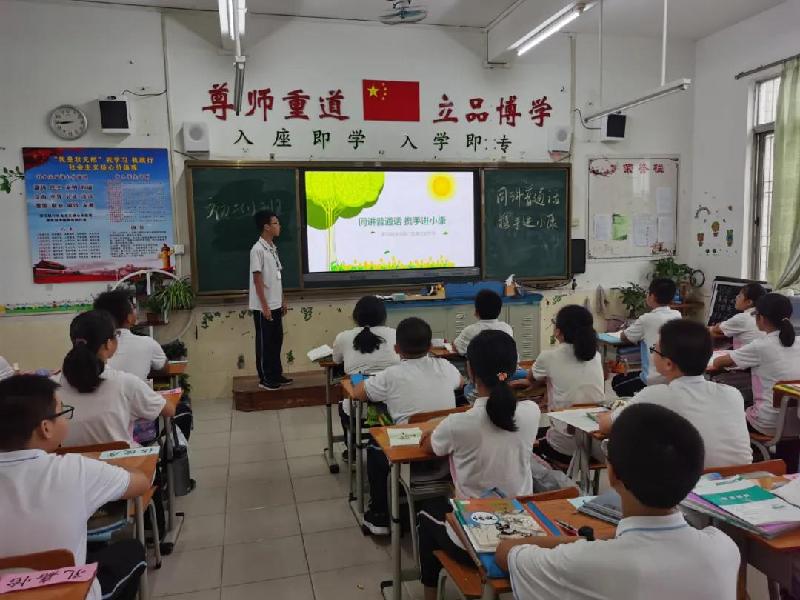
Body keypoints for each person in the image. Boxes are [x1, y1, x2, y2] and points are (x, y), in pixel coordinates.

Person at [496, 403, 740, 600]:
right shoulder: (723, 549)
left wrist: (582, 542)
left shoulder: (583, 562)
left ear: (613, 474)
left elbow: (506, 553)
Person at [0, 374, 151, 600]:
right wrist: (98, 461)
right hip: (69, 594)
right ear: (45, 428)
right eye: (62, 412)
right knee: (130, 550)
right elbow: (141, 483)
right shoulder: (76, 469)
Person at [416, 330, 541, 600]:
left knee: (426, 515)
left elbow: (428, 447)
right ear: (513, 369)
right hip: (524, 534)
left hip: (477, 538)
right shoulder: (531, 412)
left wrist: (434, 428)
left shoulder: (458, 424)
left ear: (470, 371)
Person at [352, 317, 463, 535]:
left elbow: (358, 393)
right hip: (446, 450)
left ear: (396, 349)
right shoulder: (445, 366)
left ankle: (380, 517)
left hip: (409, 449)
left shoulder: (391, 375)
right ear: (430, 347)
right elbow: (460, 383)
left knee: (374, 444)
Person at [599, 319, 752, 467]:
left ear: (668, 364)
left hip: (692, 482)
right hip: (743, 477)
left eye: (654, 350)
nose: (652, 355)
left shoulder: (655, 395)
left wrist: (610, 413)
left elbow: (605, 426)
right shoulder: (733, 394)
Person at [56, 310, 175, 448]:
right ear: (108, 344)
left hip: (70, 460)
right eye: (116, 335)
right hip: (123, 460)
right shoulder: (126, 383)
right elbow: (169, 410)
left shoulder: (53, 384)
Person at [712, 293, 800, 470]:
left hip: (767, 423)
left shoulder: (761, 346)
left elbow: (719, 363)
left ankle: (738, 465)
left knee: (726, 412)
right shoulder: (798, 342)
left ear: (761, 318)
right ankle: (784, 469)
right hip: (796, 421)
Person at [528, 305, 604, 464]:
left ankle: (557, 478)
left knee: (526, 442)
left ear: (558, 331)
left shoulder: (548, 357)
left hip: (566, 447)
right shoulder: (596, 356)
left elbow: (532, 378)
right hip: (597, 444)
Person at [333, 295, 400, 458]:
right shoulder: (396, 334)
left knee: (347, 392)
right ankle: (383, 442)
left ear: (356, 317)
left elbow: (336, 360)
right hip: (394, 406)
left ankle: (352, 450)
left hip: (359, 406)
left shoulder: (344, 337)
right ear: (384, 316)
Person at [612, 278, 681, 396]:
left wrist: (625, 330)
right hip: (673, 377)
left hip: (652, 378)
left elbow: (625, 337)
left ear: (652, 296)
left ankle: (637, 403)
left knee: (617, 382)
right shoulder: (677, 315)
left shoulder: (646, 319)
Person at [249, 209, 290, 391]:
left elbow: (277, 277)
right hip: (263, 306)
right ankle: (265, 378)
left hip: (275, 303)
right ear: (266, 227)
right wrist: (264, 306)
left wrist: (283, 299)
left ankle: (276, 374)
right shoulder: (257, 250)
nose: (279, 226)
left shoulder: (272, 248)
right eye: (275, 223)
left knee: (276, 341)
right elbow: (257, 280)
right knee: (265, 343)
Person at [93, 289, 167, 381]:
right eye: (133, 308)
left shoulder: (91, 345)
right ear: (129, 318)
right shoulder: (148, 343)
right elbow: (164, 368)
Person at [453, 289, 513, 356]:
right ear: (500, 311)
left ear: (476, 312)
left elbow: (456, 347)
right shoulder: (507, 328)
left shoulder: (470, 331)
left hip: (478, 363)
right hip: (503, 362)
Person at [709, 283, 766, 349]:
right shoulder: (764, 317)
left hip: (746, 354)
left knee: (708, 333)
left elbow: (717, 329)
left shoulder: (743, 318)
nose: (736, 297)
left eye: (739, 296)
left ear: (749, 302)